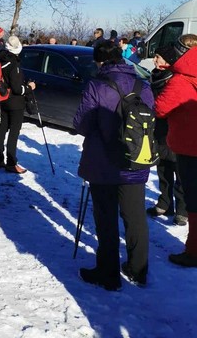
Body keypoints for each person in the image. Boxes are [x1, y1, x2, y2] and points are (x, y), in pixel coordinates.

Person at [73, 41, 153, 289]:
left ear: (100, 61)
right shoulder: (144, 85)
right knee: (135, 217)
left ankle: (108, 274)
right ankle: (138, 270)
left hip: (103, 163)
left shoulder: (97, 85)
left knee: (106, 219)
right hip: (136, 160)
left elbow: (81, 124)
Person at [154, 34, 197, 267]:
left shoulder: (181, 79)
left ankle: (193, 251)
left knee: (194, 200)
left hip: (190, 146)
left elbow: (160, 108)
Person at [148, 48, 187, 226]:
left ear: (168, 61)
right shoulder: (154, 77)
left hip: (176, 131)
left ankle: (182, 210)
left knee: (180, 174)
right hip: (159, 130)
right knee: (163, 169)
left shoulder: (175, 79)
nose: (154, 60)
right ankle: (165, 204)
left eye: (158, 57)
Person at [0, 36, 36, 174]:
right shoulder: (14, 64)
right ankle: (11, 163)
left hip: (4, 99)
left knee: (3, 128)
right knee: (14, 132)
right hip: (15, 102)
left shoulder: (1, 59)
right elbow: (17, 89)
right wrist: (29, 87)